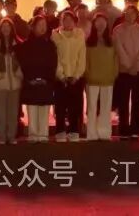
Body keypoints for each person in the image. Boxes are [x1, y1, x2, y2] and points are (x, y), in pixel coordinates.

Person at [16, 15, 57, 143]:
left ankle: (43, 133)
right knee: (32, 108)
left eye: (44, 25)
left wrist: (46, 79)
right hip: (31, 81)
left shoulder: (50, 44)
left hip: (46, 81)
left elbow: (53, 63)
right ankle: (33, 133)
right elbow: (23, 64)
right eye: (39, 25)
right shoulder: (25, 45)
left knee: (44, 108)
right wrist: (30, 79)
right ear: (33, 27)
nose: (43, 27)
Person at [113, 5, 139, 139]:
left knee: (137, 100)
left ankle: (135, 128)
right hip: (124, 69)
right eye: (127, 13)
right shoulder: (117, 30)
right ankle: (123, 129)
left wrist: (136, 64)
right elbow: (118, 48)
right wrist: (128, 65)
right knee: (123, 100)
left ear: (136, 14)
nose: (130, 15)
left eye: (132, 13)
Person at [51, 10, 86, 142]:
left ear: (74, 22)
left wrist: (77, 75)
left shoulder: (80, 35)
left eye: (70, 20)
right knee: (60, 107)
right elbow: (56, 57)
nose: (68, 22)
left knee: (75, 107)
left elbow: (82, 56)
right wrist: (61, 75)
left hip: (76, 77)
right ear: (61, 21)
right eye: (65, 20)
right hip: (60, 77)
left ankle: (74, 130)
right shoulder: (55, 35)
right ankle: (60, 130)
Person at [0, 18, 24, 144]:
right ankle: (1, 135)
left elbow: (23, 62)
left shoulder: (18, 44)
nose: (5, 29)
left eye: (8, 26)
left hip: (14, 83)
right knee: (0, 112)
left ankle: (11, 135)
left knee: (13, 112)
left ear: (12, 28)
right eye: (3, 26)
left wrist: (19, 72)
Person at [85, 13, 118, 141]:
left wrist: (114, 74)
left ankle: (104, 133)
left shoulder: (111, 40)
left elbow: (116, 59)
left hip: (108, 78)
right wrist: (87, 73)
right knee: (92, 107)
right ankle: (91, 134)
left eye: (103, 22)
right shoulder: (89, 40)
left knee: (106, 107)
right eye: (97, 22)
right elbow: (85, 59)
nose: (100, 24)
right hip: (92, 78)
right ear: (94, 24)